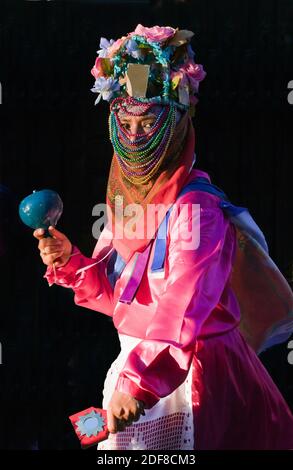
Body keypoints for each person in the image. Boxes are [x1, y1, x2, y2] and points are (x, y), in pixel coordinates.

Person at [33, 25, 293, 450]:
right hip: (143, 372)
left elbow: (182, 303)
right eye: (125, 121)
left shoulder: (197, 208)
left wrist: (138, 384)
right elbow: (127, 302)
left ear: (175, 124)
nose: (135, 135)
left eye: (149, 121)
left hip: (194, 379)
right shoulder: (132, 202)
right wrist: (72, 263)